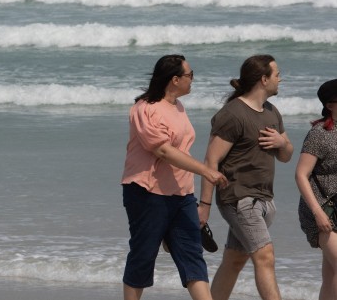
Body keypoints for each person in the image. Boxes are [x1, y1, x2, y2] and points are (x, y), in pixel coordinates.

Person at [121, 54, 229, 300]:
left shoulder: (178, 106)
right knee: (143, 255)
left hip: (181, 195)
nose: (193, 80)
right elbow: (162, 150)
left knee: (192, 255)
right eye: (190, 75)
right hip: (147, 192)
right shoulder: (144, 109)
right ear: (175, 79)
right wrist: (206, 171)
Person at [199, 54, 294, 300]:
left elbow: (286, 155)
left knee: (234, 260)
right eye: (277, 74)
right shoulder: (233, 114)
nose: (280, 79)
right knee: (265, 256)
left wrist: (281, 142)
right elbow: (211, 161)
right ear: (263, 79)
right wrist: (205, 206)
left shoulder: (272, 111)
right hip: (240, 198)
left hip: (263, 198)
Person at [295, 79, 337, 299]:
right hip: (323, 209)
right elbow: (301, 174)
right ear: (330, 105)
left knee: (331, 275)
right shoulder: (319, 134)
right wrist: (317, 212)